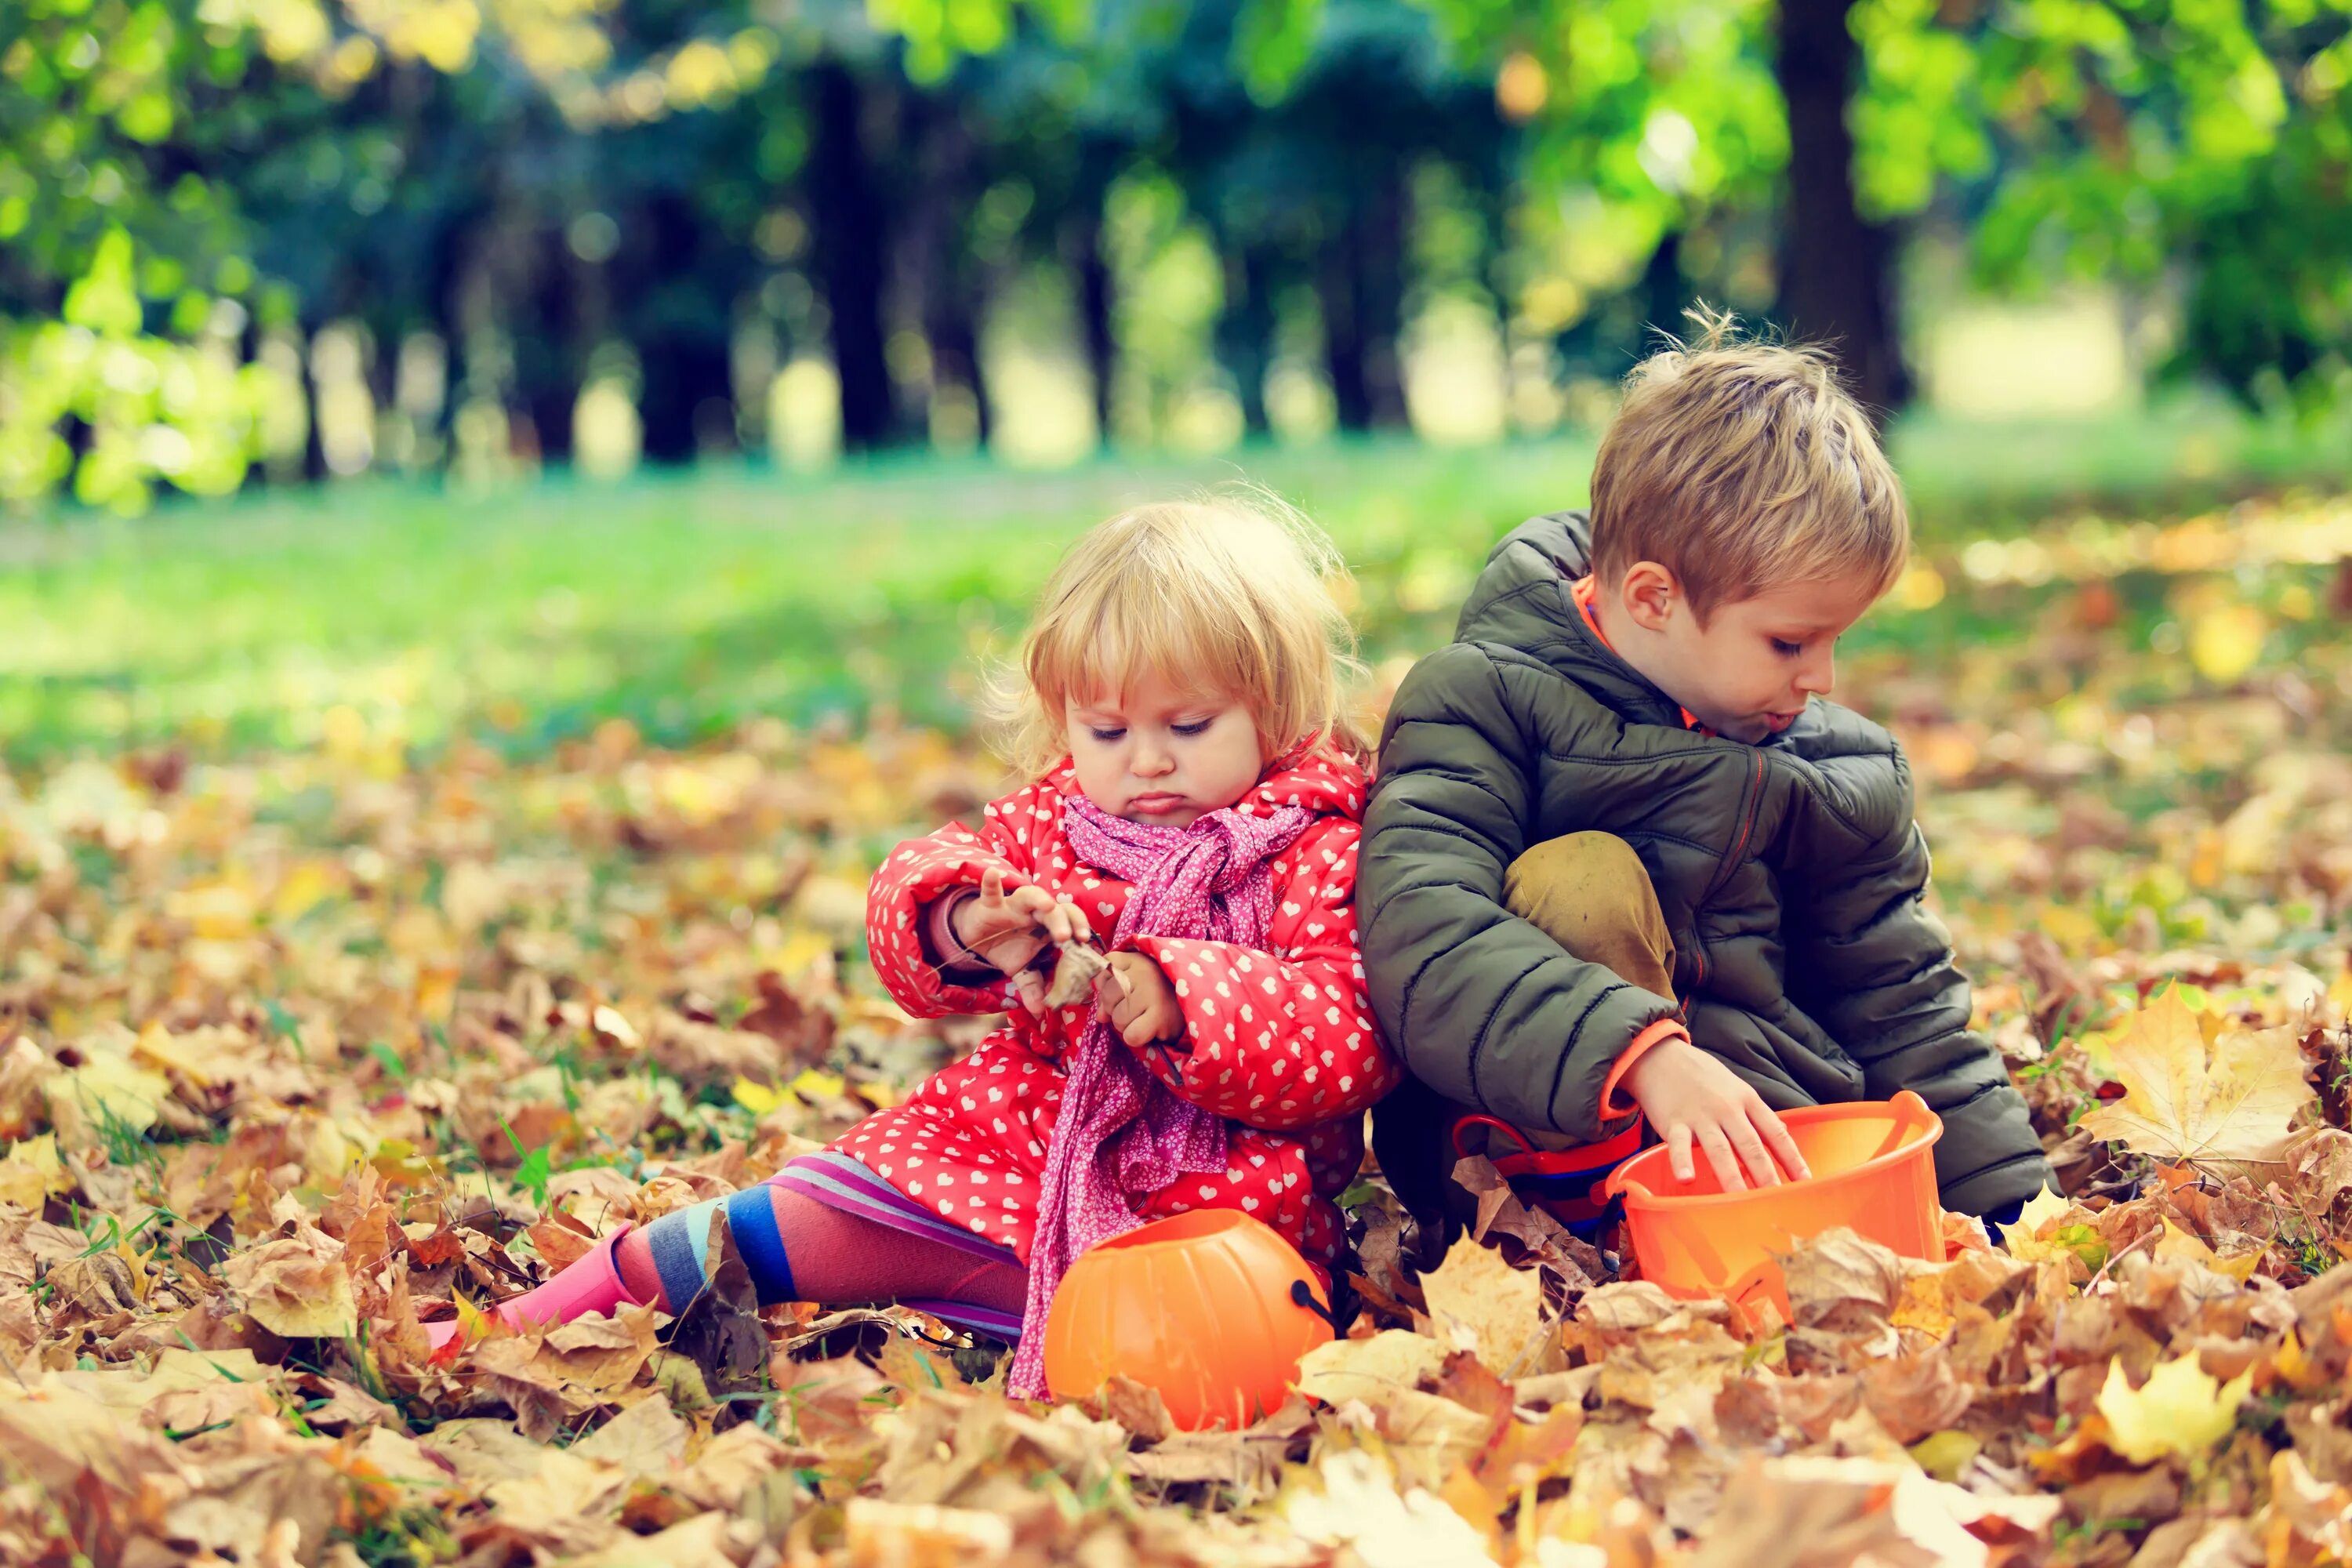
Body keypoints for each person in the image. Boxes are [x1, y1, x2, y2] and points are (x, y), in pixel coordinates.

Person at [434, 494, 1397, 1400]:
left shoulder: (1316, 851)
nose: (1145, 759)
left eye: (1188, 725)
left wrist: (1186, 995)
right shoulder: (1051, 825)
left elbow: (1349, 1031)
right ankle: (499, 1331)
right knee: (765, 1223)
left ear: (1273, 707)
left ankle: (1048, 1318)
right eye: (1106, 728)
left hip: (1216, 1220)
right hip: (1003, 1160)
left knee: (1192, 1345)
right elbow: (913, 892)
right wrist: (965, 924)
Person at [1359, 310, 2052, 1258]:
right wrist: (1638, 1055)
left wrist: (2018, 1216)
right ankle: (1591, 1235)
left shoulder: (1833, 766)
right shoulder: (1480, 703)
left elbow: (1898, 996)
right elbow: (1422, 935)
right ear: (1652, 597)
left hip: (1757, 1141)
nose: (1824, 679)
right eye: (1790, 642)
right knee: (1583, 876)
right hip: (1526, 1150)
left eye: (1835, 639)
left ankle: (1747, 1234)